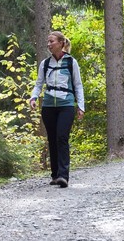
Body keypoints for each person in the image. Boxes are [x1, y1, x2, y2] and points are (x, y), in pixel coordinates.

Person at [29, 31, 85, 188]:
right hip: (48, 107)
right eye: (48, 42)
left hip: (66, 105)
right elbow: (39, 83)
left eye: (51, 41)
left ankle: (63, 176)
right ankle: (55, 175)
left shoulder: (71, 62)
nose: (49, 44)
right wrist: (33, 98)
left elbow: (78, 85)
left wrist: (81, 106)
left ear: (61, 43)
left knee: (62, 137)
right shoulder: (45, 64)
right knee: (52, 139)